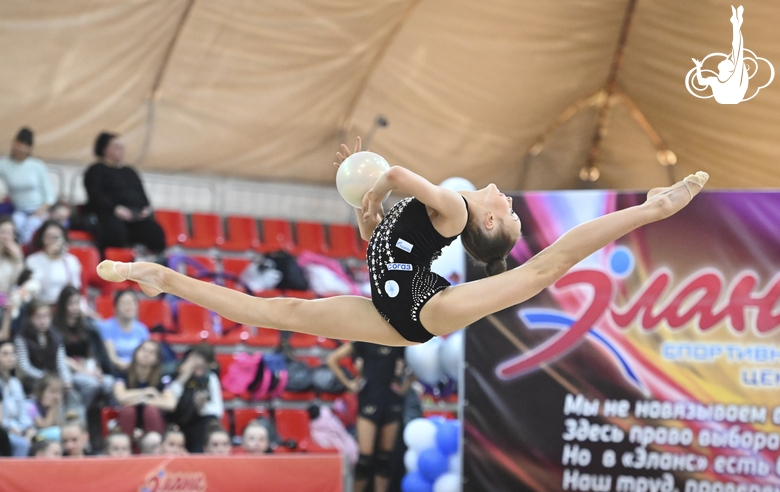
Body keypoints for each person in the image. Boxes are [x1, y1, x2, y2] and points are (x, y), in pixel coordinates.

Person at [96, 137, 709, 345]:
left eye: (512, 212)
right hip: (391, 306)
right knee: (280, 311)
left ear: (487, 224)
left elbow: (394, 181)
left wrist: (370, 174)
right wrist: (366, 210)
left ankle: (649, 210)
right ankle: (163, 278)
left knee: (537, 275)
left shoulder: (447, 207)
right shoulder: (438, 216)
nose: (510, 198)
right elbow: (378, 244)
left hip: (421, 310)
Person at [327, 342, 410, 491]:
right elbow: (332, 359)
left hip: (391, 401)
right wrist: (349, 384)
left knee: (385, 460)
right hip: (369, 399)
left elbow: (417, 362)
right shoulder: (364, 340)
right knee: (364, 461)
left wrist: (405, 387)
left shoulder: (398, 341)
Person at [82, 132, 165, 255]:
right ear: (105, 149)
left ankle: (154, 263)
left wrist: (144, 209)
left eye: (122, 147)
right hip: (109, 214)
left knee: (155, 231)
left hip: (134, 216)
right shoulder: (95, 171)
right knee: (114, 231)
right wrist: (115, 209)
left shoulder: (129, 172)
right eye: (116, 147)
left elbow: (142, 195)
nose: (121, 150)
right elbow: (96, 196)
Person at [52, 286, 114, 410]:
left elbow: (92, 353)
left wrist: (96, 370)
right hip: (68, 370)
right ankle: (77, 411)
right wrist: (85, 371)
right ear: (63, 304)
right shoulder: (55, 328)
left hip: (86, 367)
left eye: (77, 303)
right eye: (71, 303)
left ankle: (101, 418)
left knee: (109, 382)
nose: (75, 307)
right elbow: (61, 357)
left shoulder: (86, 325)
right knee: (91, 384)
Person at [0, 128, 56, 244]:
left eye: (24, 145)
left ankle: (28, 253)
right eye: (18, 144)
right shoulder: (4, 165)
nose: (20, 148)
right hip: (19, 210)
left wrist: (40, 210)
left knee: (31, 225)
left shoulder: (37, 166)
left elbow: (49, 195)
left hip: (38, 210)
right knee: (15, 223)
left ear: (30, 148)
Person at [113, 340, 175, 440]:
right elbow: (120, 397)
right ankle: (126, 448)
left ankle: (156, 451)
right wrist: (146, 392)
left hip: (152, 424)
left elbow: (170, 404)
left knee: (151, 410)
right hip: (129, 421)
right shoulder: (123, 373)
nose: (146, 355)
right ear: (136, 352)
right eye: (143, 350)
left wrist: (142, 400)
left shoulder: (163, 377)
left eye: (151, 352)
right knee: (128, 411)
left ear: (157, 359)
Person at [167, 344, 224, 453]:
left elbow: (218, 410)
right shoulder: (174, 372)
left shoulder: (210, 378)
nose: (199, 367)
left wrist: (202, 407)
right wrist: (182, 378)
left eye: (204, 365)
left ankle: (199, 454)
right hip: (173, 421)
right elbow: (169, 400)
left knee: (209, 421)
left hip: (196, 425)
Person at [692, 6, 748, 104]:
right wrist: (698, 67)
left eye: (726, 61)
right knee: (737, 52)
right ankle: (736, 23)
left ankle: (736, 23)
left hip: (731, 96)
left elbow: (737, 48)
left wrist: (698, 68)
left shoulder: (730, 78)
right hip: (730, 97)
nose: (724, 59)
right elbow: (701, 82)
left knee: (737, 51)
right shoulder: (717, 80)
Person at [14, 301, 73, 393]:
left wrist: (66, 380)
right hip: (32, 383)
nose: (43, 321)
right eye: (38, 317)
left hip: (55, 379)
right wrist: (46, 378)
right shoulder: (21, 338)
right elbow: (25, 367)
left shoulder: (56, 336)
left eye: (46, 316)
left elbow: (61, 362)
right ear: (29, 318)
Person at [25, 220, 81, 305]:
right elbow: (35, 288)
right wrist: (51, 260)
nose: (53, 241)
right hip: (41, 305)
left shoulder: (71, 261)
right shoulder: (33, 260)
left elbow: (75, 288)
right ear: (42, 238)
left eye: (57, 237)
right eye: (49, 237)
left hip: (64, 307)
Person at [99, 290, 149, 373]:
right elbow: (112, 358)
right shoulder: (106, 327)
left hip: (138, 371)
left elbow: (146, 355)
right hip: (116, 370)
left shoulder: (142, 329)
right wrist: (131, 367)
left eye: (132, 303)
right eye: (124, 303)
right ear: (115, 307)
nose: (128, 307)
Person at [0, 340, 35, 456]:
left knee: (39, 438)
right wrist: (11, 428)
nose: (10, 357)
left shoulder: (16, 383)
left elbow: (23, 412)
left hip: (19, 428)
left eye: (12, 353)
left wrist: (28, 428)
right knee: (22, 444)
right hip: (4, 430)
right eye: (5, 354)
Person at [26, 373, 67, 442]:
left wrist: (56, 408)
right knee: (57, 432)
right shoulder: (31, 405)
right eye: (52, 391)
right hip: (35, 436)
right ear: (41, 392)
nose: (56, 396)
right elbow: (43, 426)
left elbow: (59, 424)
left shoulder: (56, 404)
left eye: (59, 392)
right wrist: (52, 408)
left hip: (49, 433)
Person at [0, 217, 24, 314]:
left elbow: (18, 283)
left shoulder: (15, 256)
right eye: (3, 232)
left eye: (10, 233)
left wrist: (18, 260)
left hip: (8, 303)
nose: (7, 237)